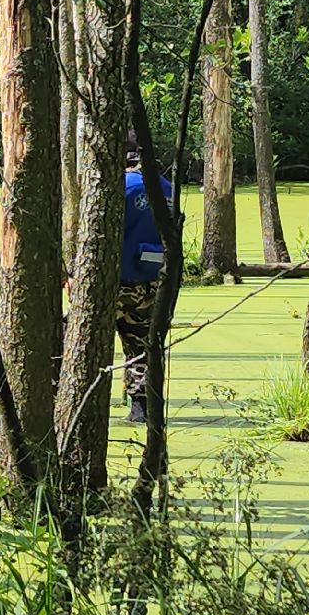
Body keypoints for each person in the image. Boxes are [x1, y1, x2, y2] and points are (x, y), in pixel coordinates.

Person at [118, 148, 173, 423]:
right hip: (151, 284)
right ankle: (141, 409)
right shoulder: (167, 189)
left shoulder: (123, 187)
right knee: (141, 347)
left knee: (71, 337)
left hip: (115, 285)